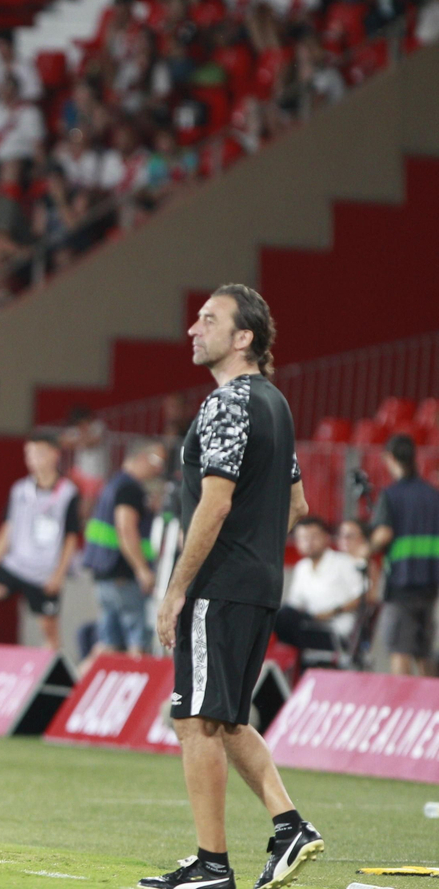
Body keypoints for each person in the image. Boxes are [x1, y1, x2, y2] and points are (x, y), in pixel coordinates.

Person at [143, 284, 321, 889]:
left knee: (194, 721)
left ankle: (212, 866)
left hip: (219, 584)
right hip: (258, 583)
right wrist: (254, 549)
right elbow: (296, 503)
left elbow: (213, 505)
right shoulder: (276, 404)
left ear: (243, 338)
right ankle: (290, 825)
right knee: (225, 719)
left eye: (209, 319)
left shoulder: (225, 405)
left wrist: (176, 590)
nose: (194, 328)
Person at [0, 431, 82, 651]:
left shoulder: (68, 493)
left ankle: (49, 676)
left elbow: (71, 538)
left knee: (48, 629)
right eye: (28, 454)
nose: (32, 459)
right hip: (16, 564)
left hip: (44, 572)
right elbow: (7, 529)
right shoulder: (20, 490)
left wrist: (59, 574)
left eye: (38, 453)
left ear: (54, 455)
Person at [81, 439, 165, 661]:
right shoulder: (130, 488)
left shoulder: (113, 484)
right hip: (122, 574)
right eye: (156, 461)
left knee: (109, 642)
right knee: (137, 642)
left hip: (105, 571)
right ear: (140, 457)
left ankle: (85, 687)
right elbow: (126, 528)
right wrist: (141, 569)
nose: (159, 468)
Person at [367, 433, 439, 676]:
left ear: (390, 458)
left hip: (402, 583)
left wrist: (365, 548)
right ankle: (431, 709)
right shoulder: (433, 495)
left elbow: (384, 535)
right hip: (430, 582)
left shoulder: (391, 495)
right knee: (423, 651)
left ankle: (403, 706)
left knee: (399, 649)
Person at [273, 515, 364, 658]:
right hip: (309, 624)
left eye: (313, 537)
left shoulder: (344, 563)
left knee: (282, 618)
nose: (308, 543)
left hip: (335, 631)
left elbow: (363, 597)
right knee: (276, 616)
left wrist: (332, 612)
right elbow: (295, 603)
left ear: (326, 537)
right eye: (303, 538)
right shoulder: (302, 568)